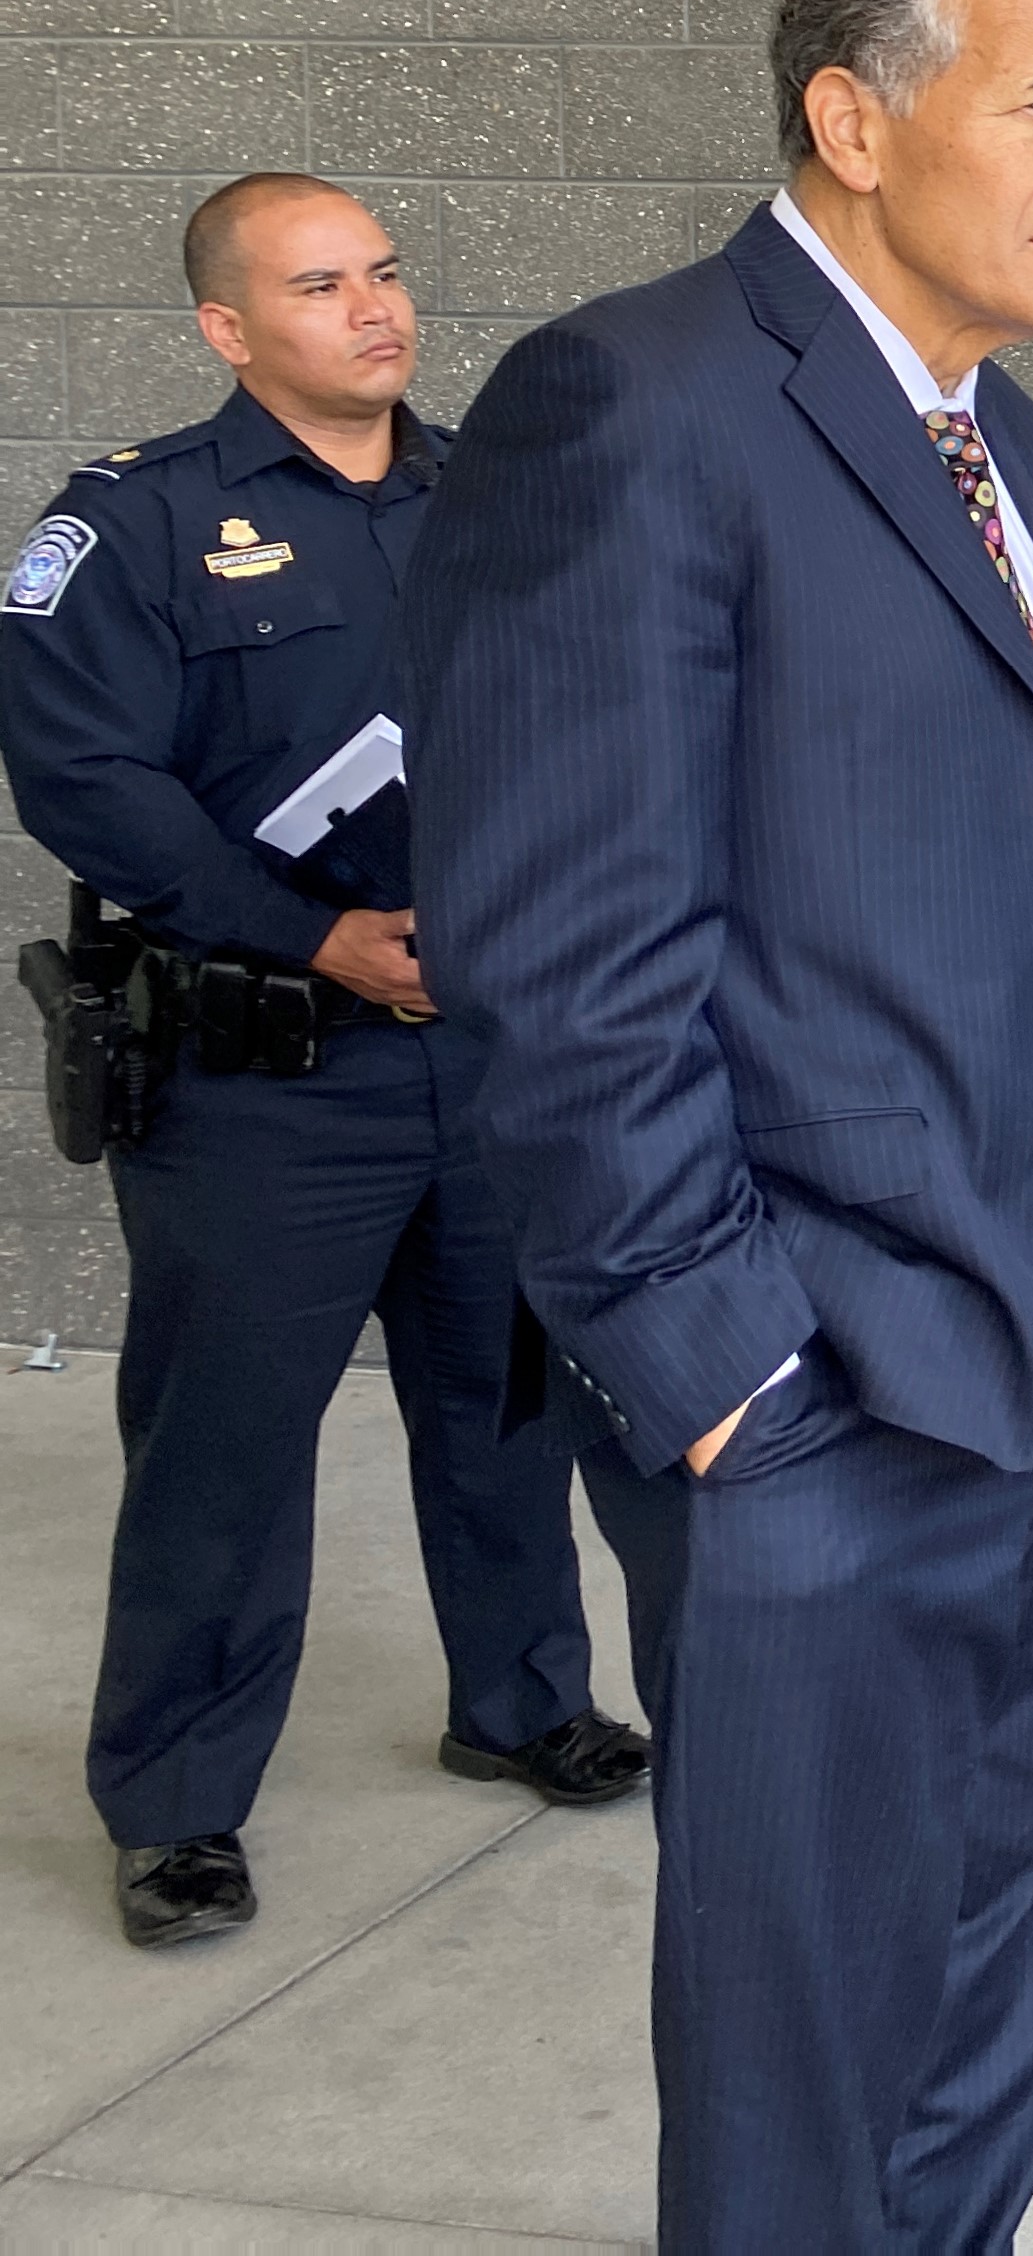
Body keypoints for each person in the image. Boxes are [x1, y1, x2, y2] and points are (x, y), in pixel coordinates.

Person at [397, 0, 1033, 2252]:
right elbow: (562, 960)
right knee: (813, 2017)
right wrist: (722, 1380)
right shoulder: (640, 403)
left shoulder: (1023, 450)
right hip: (823, 1380)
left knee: (1015, 1931)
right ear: (851, 119)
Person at [0, 173, 647, 1953]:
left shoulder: (490, 505)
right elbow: (82, 776)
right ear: (228, 327)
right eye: (317, 286)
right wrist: (314, 936)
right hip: (263, 1084)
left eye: (383, 273)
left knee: (504, 1407)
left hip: (484, 1064)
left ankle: (519, 1703)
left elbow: (588, 724)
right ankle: (178, 1810)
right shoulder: (130, 527)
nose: (375, 310)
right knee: (224, 1447)